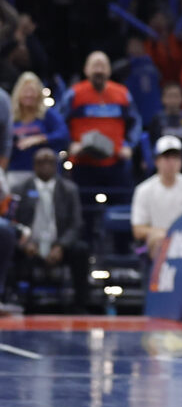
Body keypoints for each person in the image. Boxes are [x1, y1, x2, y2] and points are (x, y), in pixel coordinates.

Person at [13, 146, 90, 311]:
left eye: (50, 162)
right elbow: (14, 222)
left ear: (56, 165)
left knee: (81, 250)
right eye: (41, 162)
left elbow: (76, 224)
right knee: (7, 248)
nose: (45, 166)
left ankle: (80, 305)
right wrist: (25, 243)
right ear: (34, 165)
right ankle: (11, 298)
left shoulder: (69, 189)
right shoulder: (20, 189)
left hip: (59, 244)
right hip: (30, 245)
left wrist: (61, 246)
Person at [66, 51, 135, 190]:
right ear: (86, 70)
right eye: (94, 66)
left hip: (115, 163)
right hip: (82, 163)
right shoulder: (74, 94)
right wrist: (69, 145)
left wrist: (128, 145)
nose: (98, 70)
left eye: (102, 66)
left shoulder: (123, 94)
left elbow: (135, 123)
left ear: (109, 70)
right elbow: (60, 123)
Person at [131, 135, 182, 263]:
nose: (171, 163)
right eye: (166, 158)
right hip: (157, 242)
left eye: (175, 158)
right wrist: (166, 234)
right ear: (156, 161)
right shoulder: (144, 190)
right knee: (159, 240)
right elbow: (138, 229)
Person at [8, 72, 69, 188]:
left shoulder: (48, 115)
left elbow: (64, 135)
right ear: (18, 94)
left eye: (33, 91)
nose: (29, 95)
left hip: (44, 173)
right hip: (15, 171)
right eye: (25, 91)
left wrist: (41, 138)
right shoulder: (11, 116)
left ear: (39, 94)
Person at [147, 81, 182, 175]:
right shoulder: (157, 119)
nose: (173, 100)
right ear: (163, 98)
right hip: (163, 163)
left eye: (176, 96)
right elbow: (152, 142)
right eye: (169, 96)